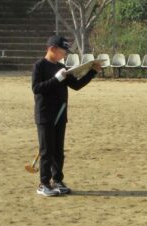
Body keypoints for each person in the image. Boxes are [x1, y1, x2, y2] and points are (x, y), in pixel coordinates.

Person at [31, 34, 101, 196]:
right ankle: (43, 183)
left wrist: (92, 72)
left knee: (58, 150)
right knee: (46, 150)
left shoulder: (60, 67)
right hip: (45, 115)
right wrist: (56, 79)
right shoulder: (39, 66)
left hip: (60, 114)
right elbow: (37, 88)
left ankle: (57, 180)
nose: (65, 54)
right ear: (52, 49)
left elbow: (76, 86)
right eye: (63, 51)